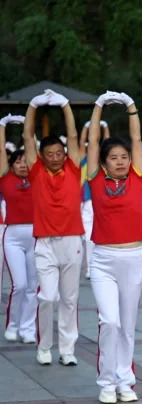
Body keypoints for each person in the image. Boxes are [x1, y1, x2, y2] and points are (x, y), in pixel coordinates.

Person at [86, 91, 142, 404]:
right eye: (114, 157)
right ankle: (106, 382)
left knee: (127, 325)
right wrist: (98, 106)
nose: (121, 161)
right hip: (103, 260)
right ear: (103, 163)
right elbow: (94, 141)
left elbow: (136, 139)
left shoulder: (137, 178)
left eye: (124, 156)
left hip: (133, 258)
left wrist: (130, 106)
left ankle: (126, 381)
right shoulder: (95, 179)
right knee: (108, 321)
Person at [23, 89, 84, 367]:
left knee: (69, 299)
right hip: (45, 242)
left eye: (60, 153)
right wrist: (33, 106)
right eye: (51, 154)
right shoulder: (36, 171)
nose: (57, 157)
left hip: (72, 241)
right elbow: (27, 137)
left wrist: (65, 105)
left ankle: (67, 349)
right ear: (42, 156)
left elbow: (73, 136)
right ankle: (44, 345)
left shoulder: (73, 169)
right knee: (47, 297)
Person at [0, 116, 36, 344]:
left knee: (33, 286)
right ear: (11, 165)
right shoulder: (5, 179)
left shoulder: (37, 178)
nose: (23, 164)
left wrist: (27, 127)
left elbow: (33, 145)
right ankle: (12, 324)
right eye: (18, 162)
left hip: (36, 236)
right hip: (13, 236)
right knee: (20, 285)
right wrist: (2, 125)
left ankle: (28, 328)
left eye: (26, 161)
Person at [79, 120, 109, 277]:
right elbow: (82, 143)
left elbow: (108, 142)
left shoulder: (105, 163)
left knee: (106, 235)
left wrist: (105, 127)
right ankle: (91, 268)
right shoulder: (85, 162)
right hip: (88, 203)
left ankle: (104, 266)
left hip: (104, 202)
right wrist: (86, 126)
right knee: (89, 238)